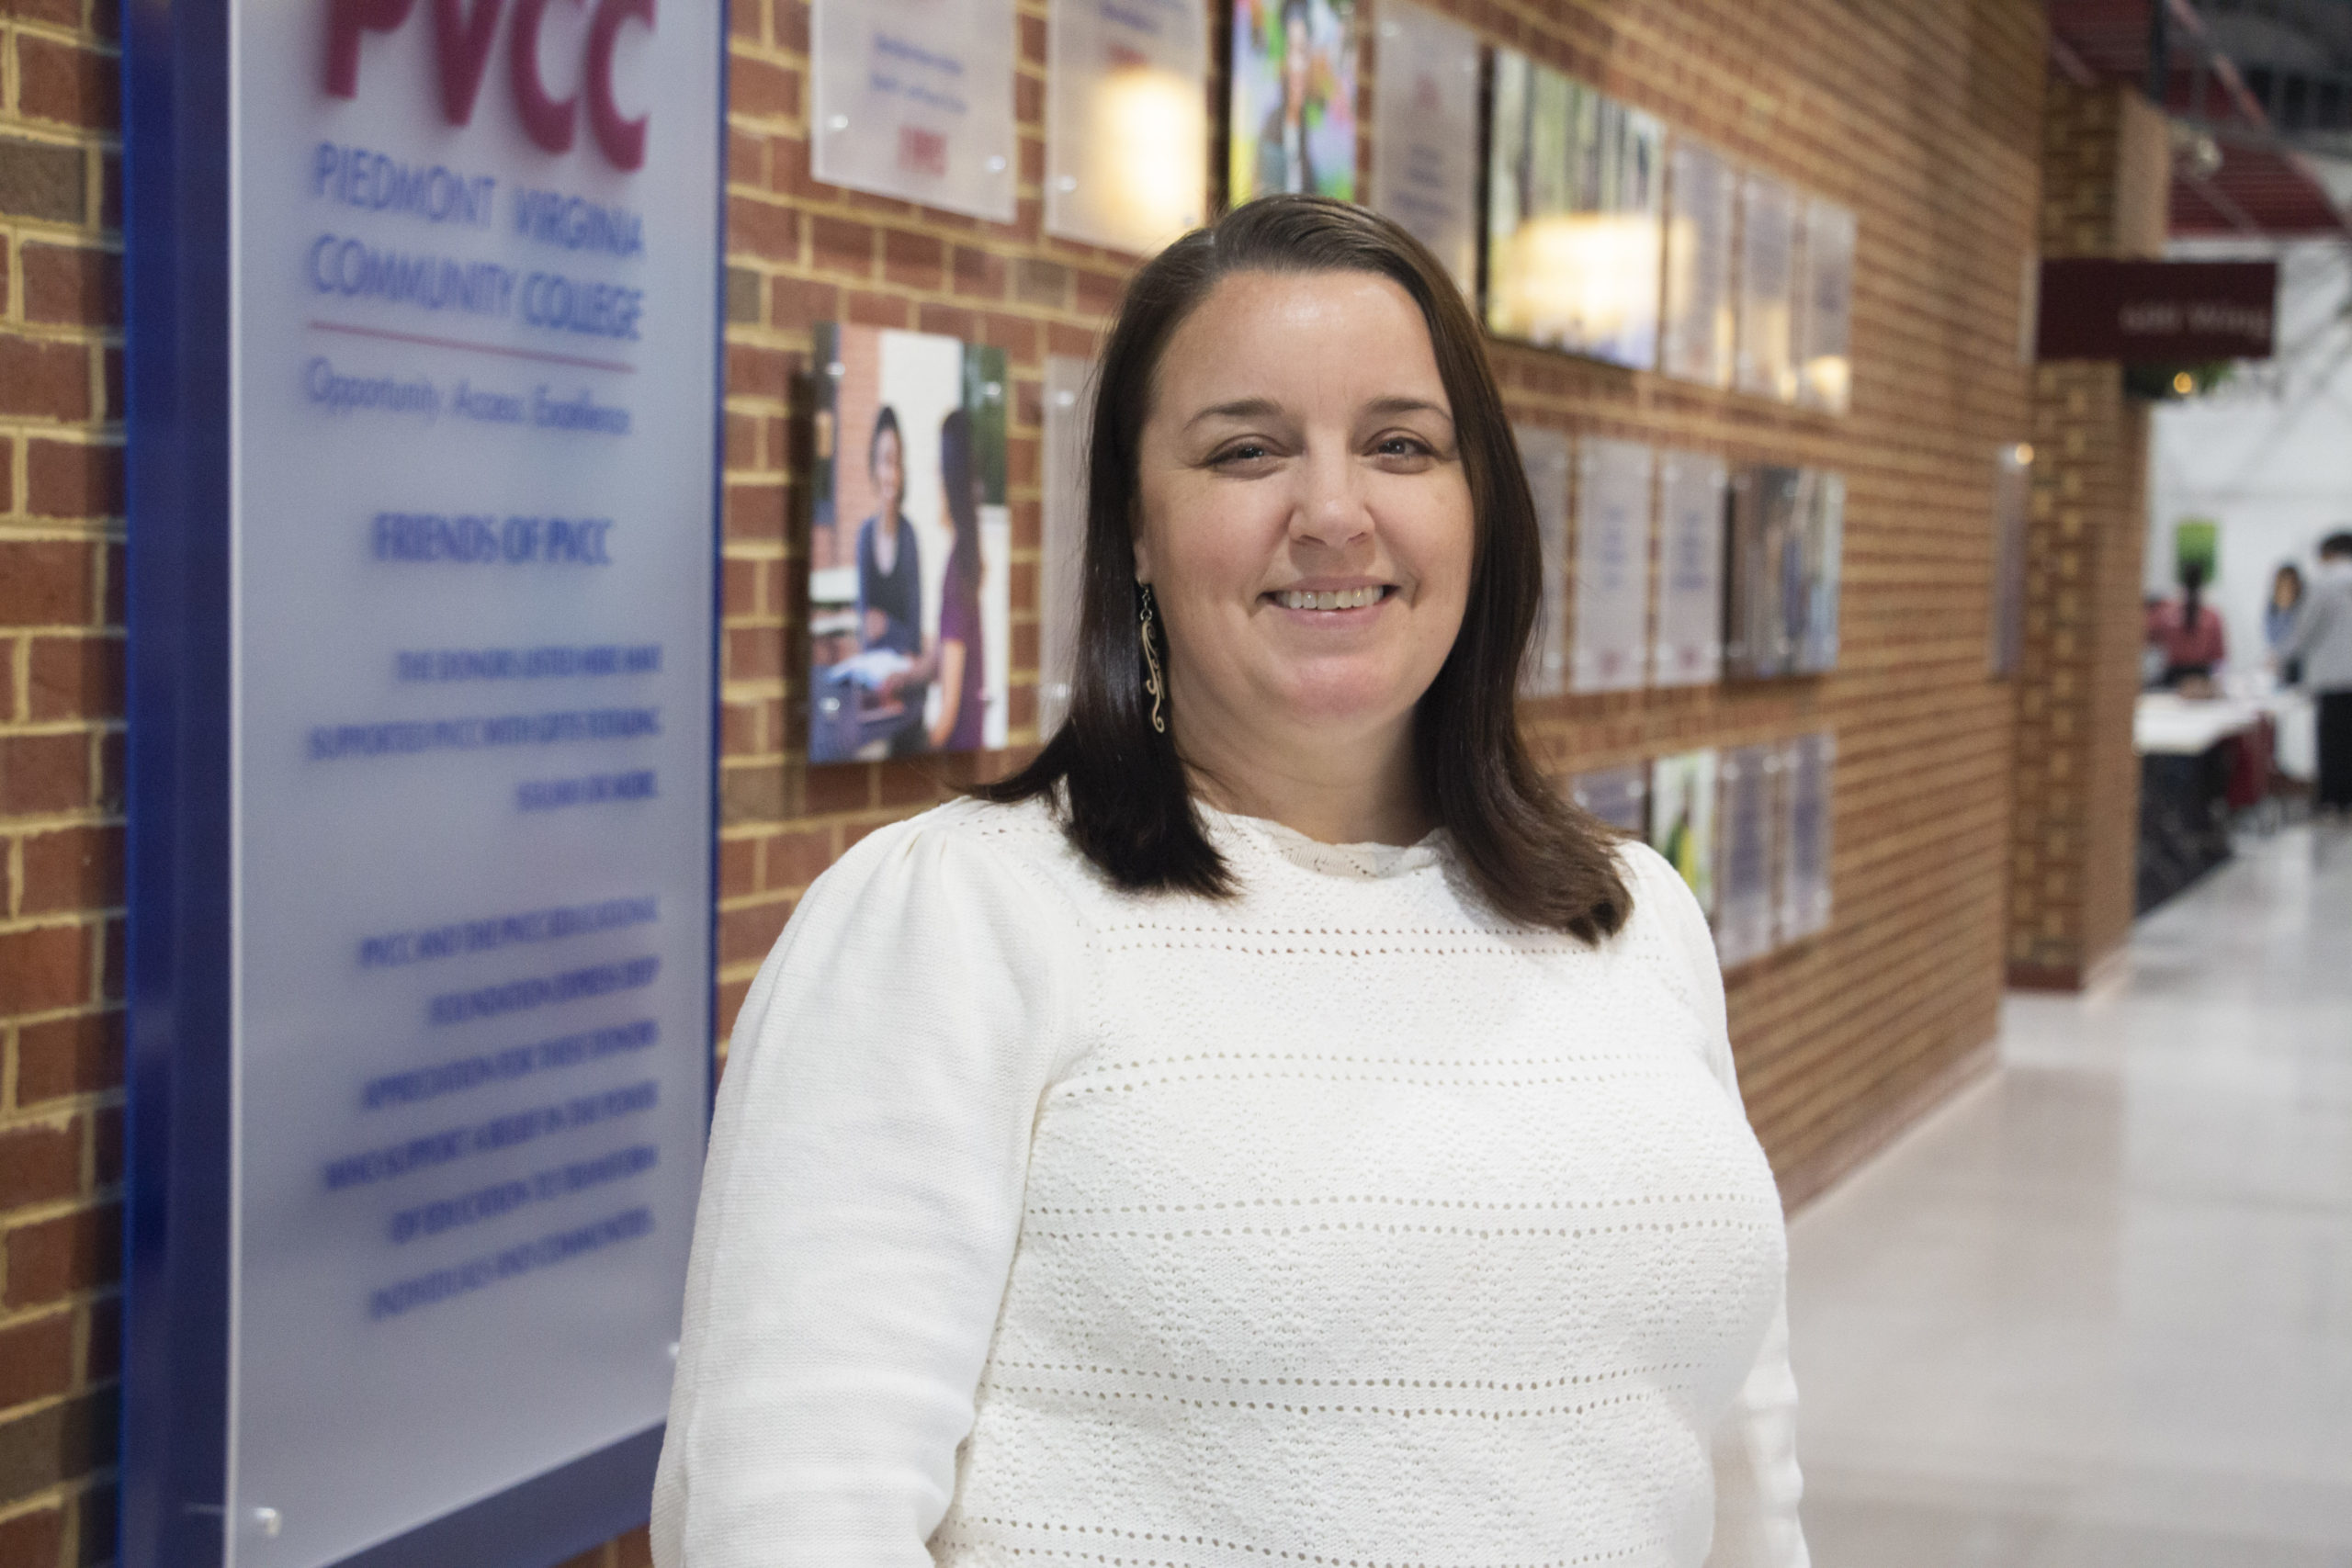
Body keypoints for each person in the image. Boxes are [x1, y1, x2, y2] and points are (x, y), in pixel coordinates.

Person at [652, 197, 1807, 1568]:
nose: (1333, 511)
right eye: (1247, 450)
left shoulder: (1630, 917)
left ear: (1479, 500)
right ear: (1135, 528)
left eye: (1401, 444)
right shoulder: (957, 922)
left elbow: (1739, 1459)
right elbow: (787, 1515)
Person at [927, 406, 988, 751]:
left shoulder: (956, 575)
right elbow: (948, 655)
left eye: (939, 468)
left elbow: (947, 713)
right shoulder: (965, 560)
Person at [2279, 531, 2352, 815]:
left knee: (2332, 741)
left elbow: (2306, 627)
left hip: (2332, 676)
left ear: (2330, 553)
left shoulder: (2323, 581)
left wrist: (2281, 655)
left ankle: (2333, 799)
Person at [854, 407, 922, 658]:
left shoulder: (909, 537)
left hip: (902, 675)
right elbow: (864, 629)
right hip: (870, 671)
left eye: (897, 463)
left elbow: (914, 637)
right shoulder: (864, 536)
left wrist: (886, 625)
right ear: (874, 467)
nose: (891, 475)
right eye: (885, 461)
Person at [1256, 0, 1319, 196]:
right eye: (1292, 50)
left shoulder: (1307, 128)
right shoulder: (1273, 125)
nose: (1297, 65)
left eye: (1303, 51)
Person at [2149, 557, 2226, 688]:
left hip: (2174, 679)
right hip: (2200, 680)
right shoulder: (2212, 617)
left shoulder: (2167, 613)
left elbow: (2150, 638)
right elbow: (2219, 655)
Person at [2265, 561, 2305, 687]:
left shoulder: (2303, 607)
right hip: (2282, 664)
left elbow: (2302, 636)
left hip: (2300, 662)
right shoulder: (2273, 608)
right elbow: (2271, 636)